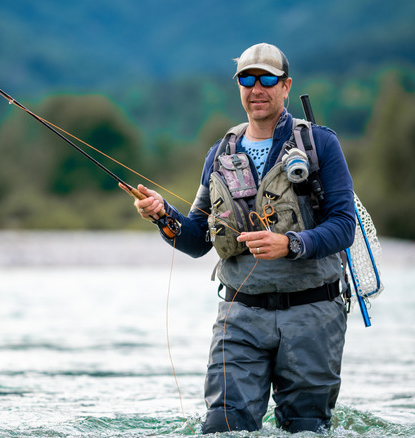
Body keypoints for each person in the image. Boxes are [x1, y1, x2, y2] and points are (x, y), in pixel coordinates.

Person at [130, 43, 355, 434]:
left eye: (267, 79)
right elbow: (197, 239)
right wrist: (163, 215)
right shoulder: (219, 154)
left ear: (286, 86)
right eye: (247, 80)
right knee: (223, 426)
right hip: (240, 315)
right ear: (239, 87)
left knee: (305, 427)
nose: (257, 88)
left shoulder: (320, 144)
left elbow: (344, 225)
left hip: (313, 314)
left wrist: (291, 245)